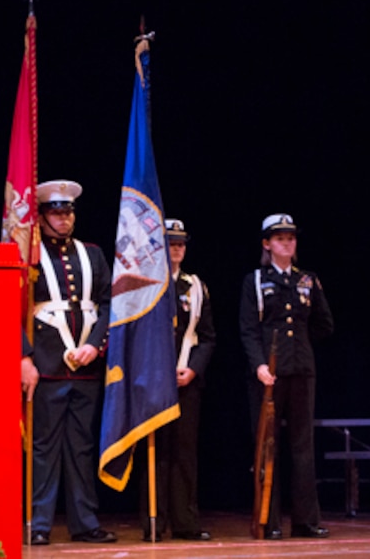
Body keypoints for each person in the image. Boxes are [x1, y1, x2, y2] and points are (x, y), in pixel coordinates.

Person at [20, 180, 116, 545]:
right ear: (42, 216)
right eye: (57, 213)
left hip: (86, 365)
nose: (64, 219)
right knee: (44, 447)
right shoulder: (28, 255)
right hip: (46, 363)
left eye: (69, 211)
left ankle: (85, 522)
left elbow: (108, 305)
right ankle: (39, 523)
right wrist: (24, 354)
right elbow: (12, 307)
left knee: (81, 445)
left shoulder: (91, 254)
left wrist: (95, 345)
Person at [239, 213, 334, 540]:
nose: (287, 243)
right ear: (267, 244)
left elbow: (324, 323)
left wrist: (301, 348)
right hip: (268, 375)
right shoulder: (255, 280)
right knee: (268, 446)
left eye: (291, 238)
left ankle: (306, 520)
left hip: (301, 372)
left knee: (302, 447)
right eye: (280, 238)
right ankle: (270, 519)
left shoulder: (307, 280)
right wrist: (259, 365)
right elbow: (249, 330)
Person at [140, 219, 216, 542]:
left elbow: (208, 336)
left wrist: (193, 369)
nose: (177, 248)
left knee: (184, 453)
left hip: (186, 381)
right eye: (171, 242)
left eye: (181, 243)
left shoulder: (195, 286)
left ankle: (186, 521)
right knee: (156, 453)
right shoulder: (144, 284)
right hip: (154, 382)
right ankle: (154, 520)